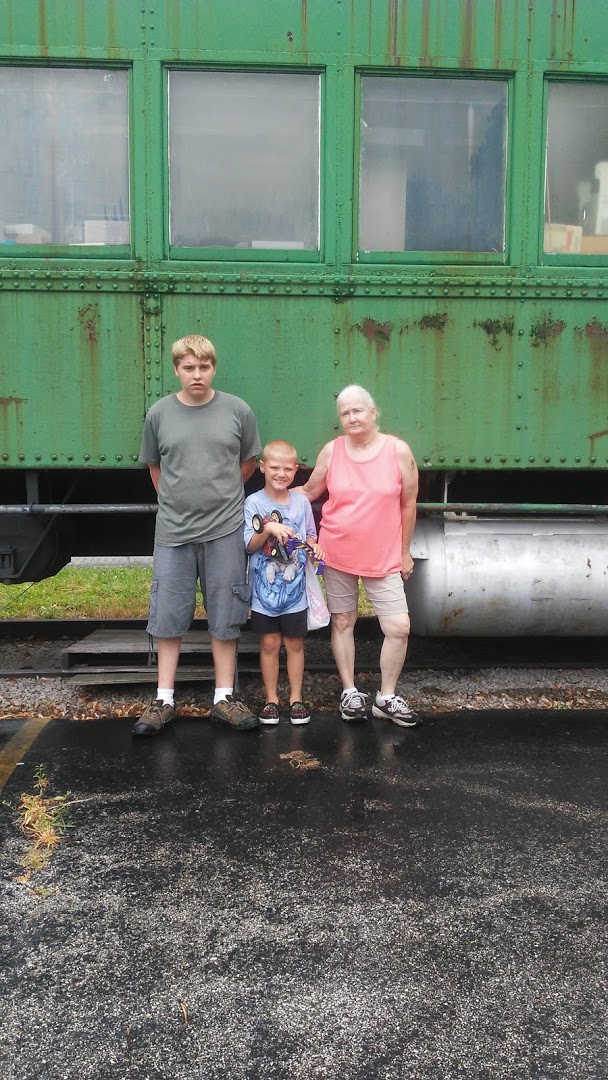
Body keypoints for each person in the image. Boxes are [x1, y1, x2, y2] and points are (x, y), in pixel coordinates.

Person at [132, 334, 262, 736]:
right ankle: (163, 700)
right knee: (168, 615)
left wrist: (220, 496)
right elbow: (155, 468)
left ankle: (224, 698)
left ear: (213, 368)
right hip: (173, 531)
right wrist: (177, 502)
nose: (197, 375)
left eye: (204, 367)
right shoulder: (159, 414)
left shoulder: (237, 410)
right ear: (176, 370)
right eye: (188, 368)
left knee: (225, 614)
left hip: (225, 528)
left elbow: (248, 462)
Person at [299, 385, 421, 727]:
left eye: (357, 410)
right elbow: (309, 491)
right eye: (345, 413)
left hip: (384, 556)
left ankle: (386, 697)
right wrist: (267, 501)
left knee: (398, 627)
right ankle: (350, 692)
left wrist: (405, 552)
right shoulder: (332, 451)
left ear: (373, 412)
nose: (352, 417)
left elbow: (408, 503)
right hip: (337, 551)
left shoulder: (398, 451)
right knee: (343, 621)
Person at [244, 440, 324, 726]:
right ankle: (271, 700)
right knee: (269, 643)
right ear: (262, 467)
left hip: (295, 592)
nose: (281, 474)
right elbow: (249, 545)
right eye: (275, 467)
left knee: (295, 643)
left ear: (295, 471)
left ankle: (296, 699)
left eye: (288, 469)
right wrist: (267, 528)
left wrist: (315, 546)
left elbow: (310, 534)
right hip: (264, 594)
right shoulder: (253, 502)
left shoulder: (301, 503)